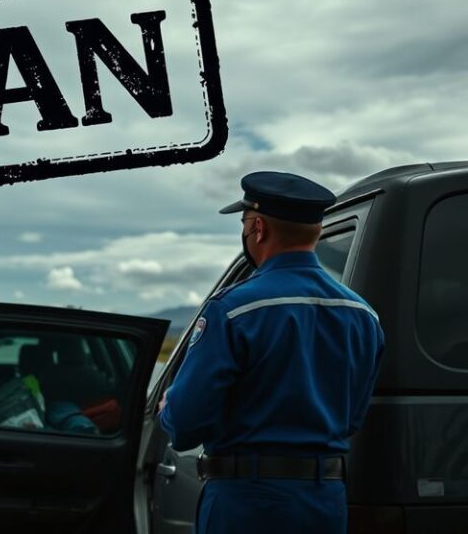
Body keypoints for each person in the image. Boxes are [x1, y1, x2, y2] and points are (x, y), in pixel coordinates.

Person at [159, 171, 385, 534]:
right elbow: (352, 417)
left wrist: (167, 407)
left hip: (245, 503)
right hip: (325, 503)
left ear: (258, 228)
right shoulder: (363, 315)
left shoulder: (232, 309)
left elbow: (186, 424)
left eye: (245, 222)